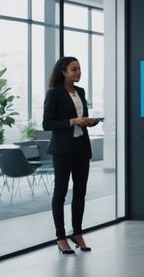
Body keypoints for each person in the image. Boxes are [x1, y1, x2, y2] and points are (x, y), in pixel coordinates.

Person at [43, 57, 102, 255]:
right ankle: (60, 237)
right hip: (62, 149)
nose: (78, 72)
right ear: (63, 71)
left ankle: (77, 232)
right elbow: (47, 124)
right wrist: (73, 121)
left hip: (81, 147)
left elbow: (80, 119)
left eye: (79, 69)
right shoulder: (54, 93)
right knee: (60, 192)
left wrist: (88, 122)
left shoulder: (81, 92)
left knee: (80, 192)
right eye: (74, 69)